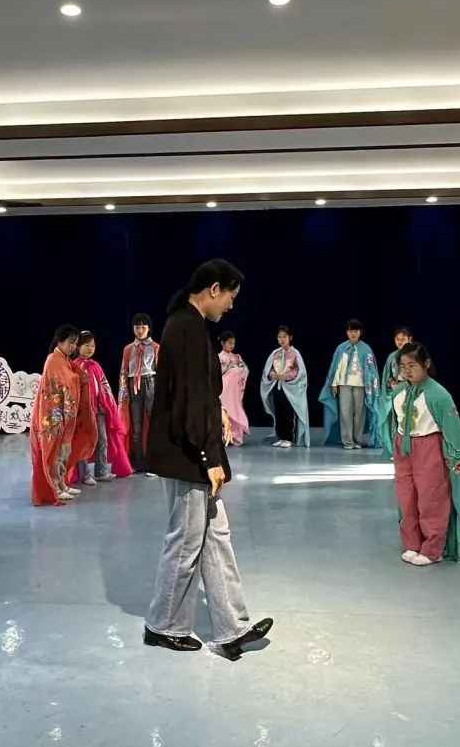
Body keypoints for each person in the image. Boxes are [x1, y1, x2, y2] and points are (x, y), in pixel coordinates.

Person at [143, 259, 272, 660]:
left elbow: (200, 394)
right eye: (231, 296)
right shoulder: (185, 326)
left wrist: (218, 417)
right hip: (187, 453)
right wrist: (208, 455)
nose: (231, 305)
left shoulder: (190, 325)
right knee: (185, 540)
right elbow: (188, 400)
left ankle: (232, 627)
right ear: (214, 289)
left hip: (193, 448)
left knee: (215, 536)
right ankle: (163, 625)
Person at [379, 342, 460, 566]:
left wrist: (455, 460)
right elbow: (394, 421)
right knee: (406, 496)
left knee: (431, 497)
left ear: (426, 364)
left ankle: (433, 548)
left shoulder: (439, 395)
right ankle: (412, 543)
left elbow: (452, 430)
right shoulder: (400, 392)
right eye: (403, 366)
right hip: (404, 447)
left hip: (429, 447)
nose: (407, 371)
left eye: (412, 365)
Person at [31, 325, 97, 505]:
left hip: (64, 414)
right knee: (55, 452)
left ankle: (62, 483)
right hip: (54, 414)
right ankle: (55, 488)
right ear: (59, 341)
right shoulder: (53, 359)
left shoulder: (65, 359)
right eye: (70, 342)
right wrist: (78, 377)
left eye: (75, 343)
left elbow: (72, 377)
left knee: (65, 450)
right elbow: (64, 381)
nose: (73, 347)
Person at [74, 330, 132, 484]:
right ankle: (85, 475)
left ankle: (101, 471)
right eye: (87, 345)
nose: (90, 348)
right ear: (78, 347)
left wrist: (106, 404)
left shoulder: (96, 365)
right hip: (83, 412)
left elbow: (104, 386)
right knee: (84, 441)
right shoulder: (74, 366)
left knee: (103, 439)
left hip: (99, 410)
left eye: (93, 345)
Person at [320, 318, 381, 450]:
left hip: (361, 385)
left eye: (356, 331)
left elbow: (371, 369)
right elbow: (336, 367)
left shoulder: (366, 349)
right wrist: (334, 384)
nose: (353, 334)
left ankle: (357, 440)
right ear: (347, 332)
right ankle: (347, 441)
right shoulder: (341, 348)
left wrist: (371, 387)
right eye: (350, 331)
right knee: (345, 412)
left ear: (360, 332)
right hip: (344, 385)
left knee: (359, 413)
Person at [118, 313, 160, 472]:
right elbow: (124, 370)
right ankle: (138, 462)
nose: (140, 330)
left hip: (151, 383)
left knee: (153, 424)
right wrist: (123, 392)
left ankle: (153, 462)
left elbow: (160, 369)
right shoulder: (128, 349)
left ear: (149, 328)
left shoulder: (155, 347)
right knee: (136, 427)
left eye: (143, 327)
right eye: (137, 327)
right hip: (133, 385)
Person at [260, 326, 310, 448]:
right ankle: (281, 437)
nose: (282, 339)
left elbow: (299, 371)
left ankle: (288, 438)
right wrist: (272, 374)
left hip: (290, 389)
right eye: (280, 337)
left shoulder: (295, 353)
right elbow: (270, 368)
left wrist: (285, 376)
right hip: (277, 387)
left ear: (290, 338)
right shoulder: (276, 353)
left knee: (288, 413)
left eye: (284, 337)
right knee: (279, 412)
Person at [218, 331, 250, 446]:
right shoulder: (219, 357)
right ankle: (224, 436)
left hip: (235, 391)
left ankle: (236, 437)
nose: (232, 345)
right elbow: (217, 373)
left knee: (235, 410)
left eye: (233, 343)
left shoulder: (237, 357)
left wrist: (238, 370)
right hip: (225, 389)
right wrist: (231, 369)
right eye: (229, 343)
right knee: (226, 411)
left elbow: (245, 369)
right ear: (223, 343)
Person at [379, 326, 413, 422]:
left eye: (403, 339)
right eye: (397, 339)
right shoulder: (392, 356)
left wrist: (404, 385)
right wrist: (392, 383)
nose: (400, 342)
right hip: (395, 390)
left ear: (410, 339)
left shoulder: (415, 355)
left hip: (411, 389)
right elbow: (387, 376)